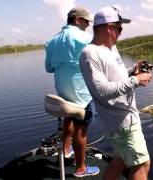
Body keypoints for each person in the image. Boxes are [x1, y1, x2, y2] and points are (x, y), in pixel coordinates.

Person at [79, 6, 152, 180]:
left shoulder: (111, 48)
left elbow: (115, 77)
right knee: (142, 164)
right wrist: (136, 80)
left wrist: (132, 71)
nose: (121, 32)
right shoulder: (90, 54)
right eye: (119, 28)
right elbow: (101, 91)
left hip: (126, 118)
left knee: (120, 160)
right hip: (121, 123)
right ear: (109, 27)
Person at [44, 6, 99, 177]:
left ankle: (67, 150)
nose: (88, 25)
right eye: (86, 22)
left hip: (63, 92)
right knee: (81, 130)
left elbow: (49, 68)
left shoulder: (52, 41)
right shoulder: (84, 38)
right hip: (83, 95)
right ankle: (81, 168)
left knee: (69, 117)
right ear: (77, 20)